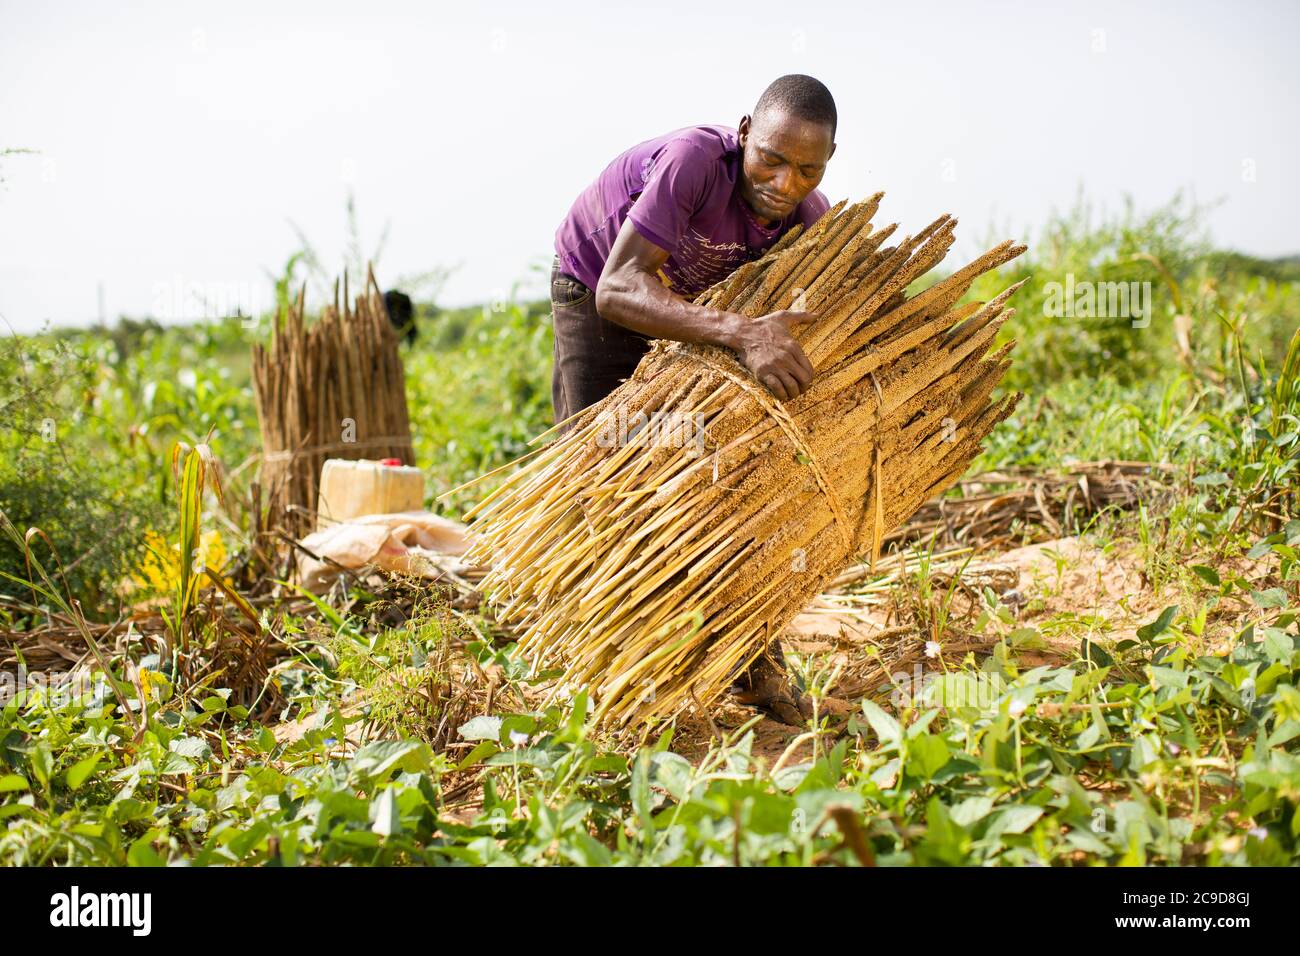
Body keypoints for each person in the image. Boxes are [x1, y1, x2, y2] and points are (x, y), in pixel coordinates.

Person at [549, 74, 839, 725]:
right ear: (743, 134)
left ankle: (749, 655)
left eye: (806, 169)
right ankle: (594, 659)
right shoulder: (695, 163)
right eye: (770, 158)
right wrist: (741, 333)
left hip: (693, 311)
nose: (784, 182)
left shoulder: (809, 221)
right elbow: (620, 290)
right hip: (600, 280)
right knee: (596, 468)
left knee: (725, 475)